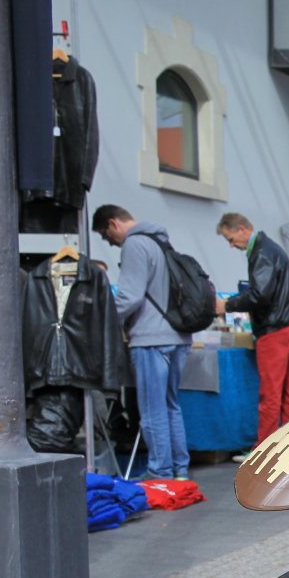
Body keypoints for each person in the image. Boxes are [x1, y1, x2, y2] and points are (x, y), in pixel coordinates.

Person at [93, 204, 191, 479]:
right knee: (171, 405)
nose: (110, 243)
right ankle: (180, 470)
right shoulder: (161, 241)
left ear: (113, 224)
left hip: (151, 338)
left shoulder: (135, 244)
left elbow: (130, 297)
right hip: (177, 335)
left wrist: (99, 319)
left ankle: (160, 471)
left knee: (151, 409)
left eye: (106, 236)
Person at [216, 212, 289, 450]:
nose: (231, 245)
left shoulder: (262, 252)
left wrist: (227, 305)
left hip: (273, 329)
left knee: (270, 393)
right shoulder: (271, 249)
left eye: (231, 239)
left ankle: (264, 450)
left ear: (242, 229)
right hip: (288, 325)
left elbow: (259, 295)